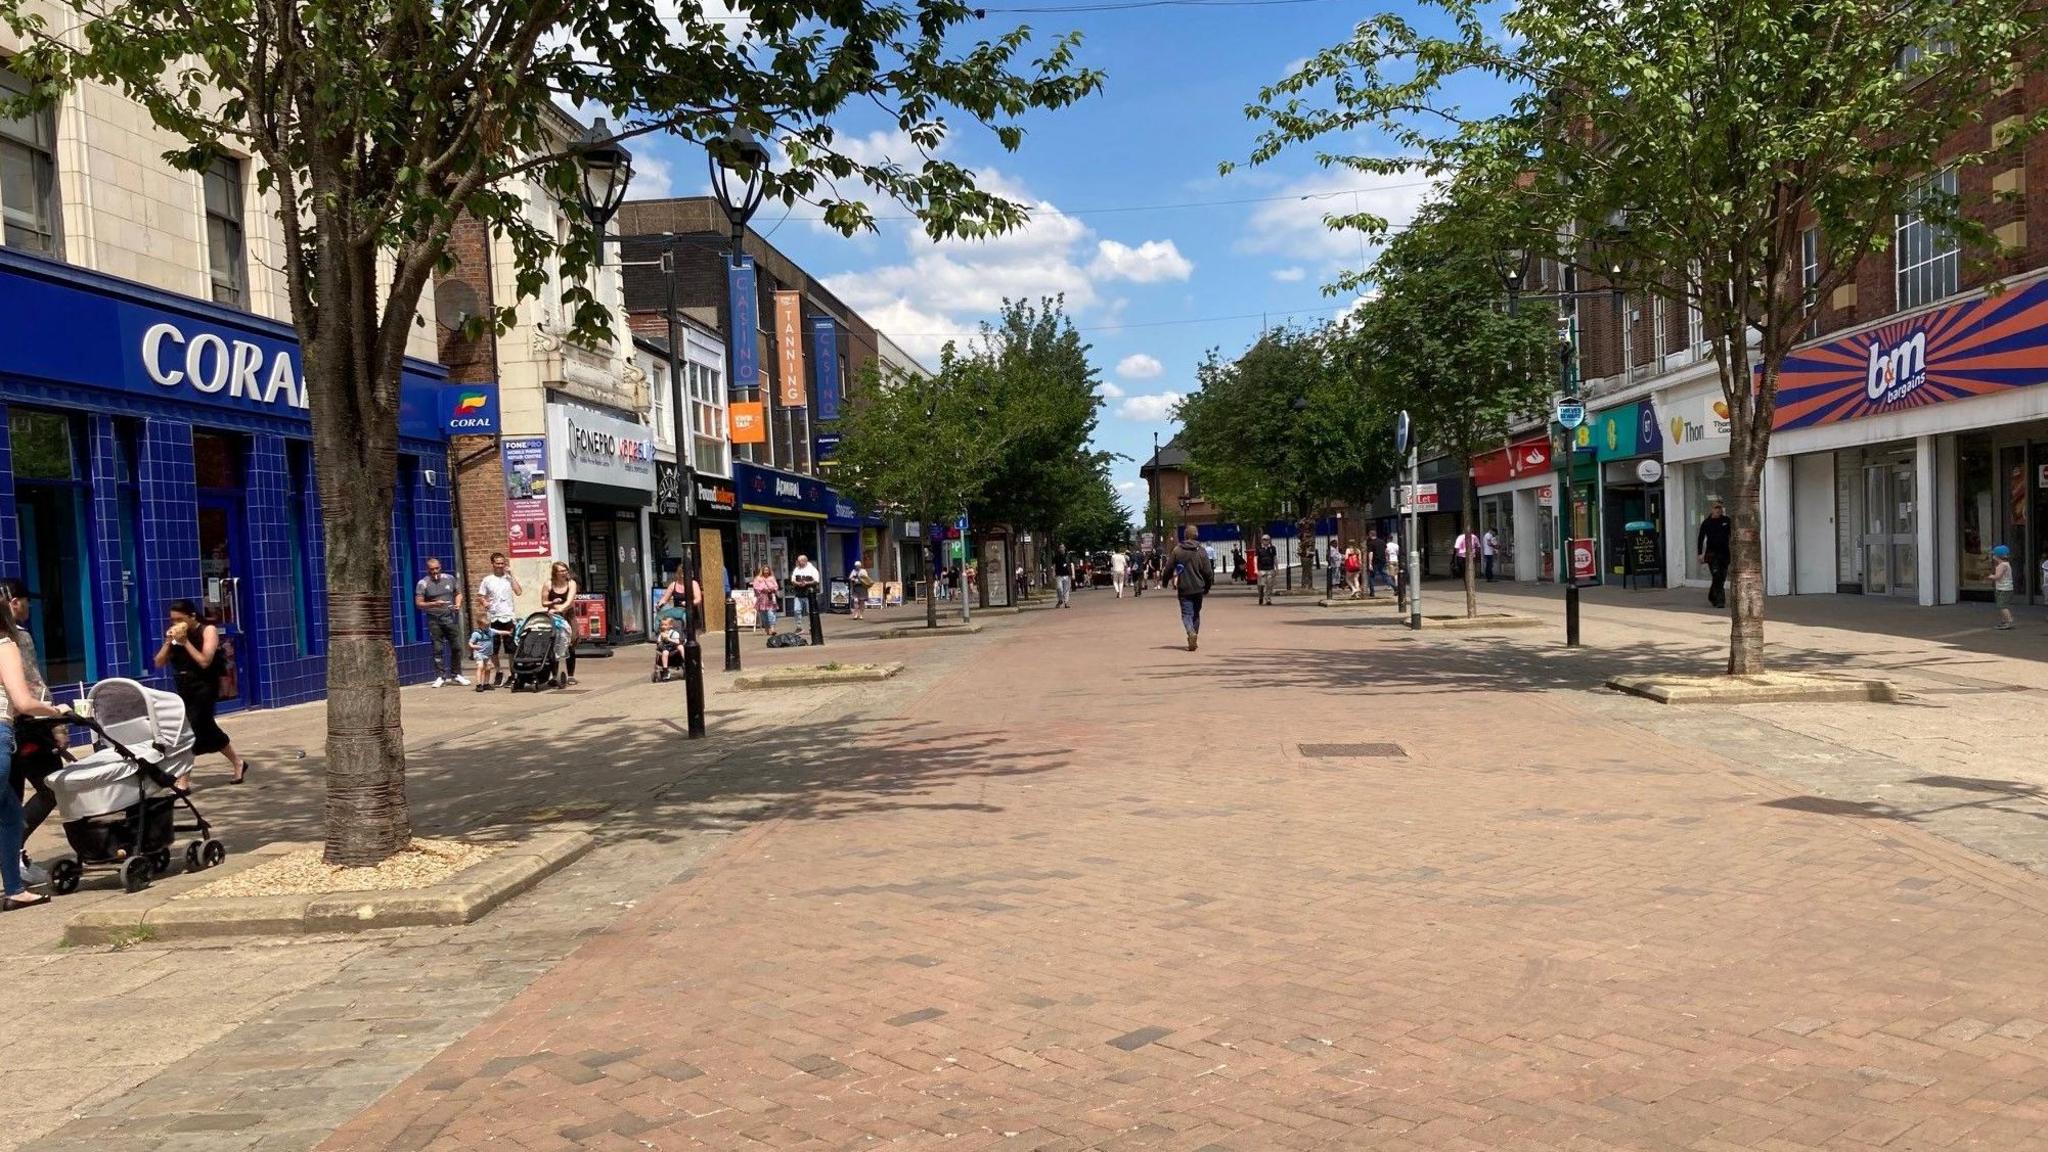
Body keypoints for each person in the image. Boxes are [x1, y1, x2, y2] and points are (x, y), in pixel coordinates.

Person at [0, 579, 62, 910]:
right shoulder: (11, 642)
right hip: (12, 730)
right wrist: (54, 714)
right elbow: (26, 695)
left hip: (10, 733)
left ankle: (13, 883)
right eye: (22, 601)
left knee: (9, 810)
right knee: (48, 787)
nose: (25, 607)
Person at [154, 599, 249, 784]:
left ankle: (183, 780)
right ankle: (238, 763)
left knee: (192, 730)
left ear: (192, 616)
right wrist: (168, 642)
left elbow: (205, 660)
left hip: (204, 686)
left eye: (179, 619)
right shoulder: (176, 636)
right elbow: (158, 662)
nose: (175, 623)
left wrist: (186, 642)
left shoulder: (208, 630)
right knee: (207, 729)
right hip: (184, 686)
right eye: (172, 620)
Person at [414, 557, 467, 688]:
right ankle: (440, 676)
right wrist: (434, 604)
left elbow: (458, 594)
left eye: (437, 568)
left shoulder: (449, 578)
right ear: (428, 570)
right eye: (431, 569)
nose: (435, 571)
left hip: (449, 618)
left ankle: (456, 674)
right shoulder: (423, 583)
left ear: (440, 567)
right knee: (437, 648)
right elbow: (419, 603)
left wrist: (458, 604)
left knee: (456, 646)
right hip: (434, 619)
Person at [477, 552, 522, 689]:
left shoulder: (508, 578)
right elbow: (480, 596)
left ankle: (513, 674)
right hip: (494, 616)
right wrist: (484, 602)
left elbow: (519, 592)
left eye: (502, 563)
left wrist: (511, 575)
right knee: (493, 648)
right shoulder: (487, 580)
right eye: (498, 563)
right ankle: (499, 672)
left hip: (508, 616)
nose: (500, 566)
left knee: (510, 648)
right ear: (492, 564)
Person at [1171, 525, 1216, 651]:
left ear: (1185, 536)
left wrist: (1165, 580)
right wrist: (1207, 586)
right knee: (1196, 613)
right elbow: (1208, 572)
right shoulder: (1201, 551)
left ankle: (1191, 632)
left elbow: (1169, 567)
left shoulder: (1177, 550)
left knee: (1186, 613)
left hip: (1184, 587)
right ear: (1196, 535)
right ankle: (1194, 635)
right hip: (1198, 587)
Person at [542, 561, 580, 685]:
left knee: (571, 642)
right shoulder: (548, 584)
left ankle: (571, 676)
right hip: (554, 617)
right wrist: (552, 603)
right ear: (555, 573)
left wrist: (558, 608)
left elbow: (569, 602)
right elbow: (544, 602)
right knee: (554, 645)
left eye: (565, 570)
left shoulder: (571, 583)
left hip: (568, 615)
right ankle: (554, 676)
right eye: (561, 571)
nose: (564, 573)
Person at [1697, 500, 1733, 609]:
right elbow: (1701, 538)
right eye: (1716, 508)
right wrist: (1700, 553)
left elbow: (1733, 534)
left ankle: (1712, 595)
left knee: (1721, 577)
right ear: (1711, 509)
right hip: (1712, 554)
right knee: (1716, 575)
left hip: (1725, 553)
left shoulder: (1726, 521)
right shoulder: (1706, 523)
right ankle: (1720, 601)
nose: (1718, 510)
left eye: (1720, 508)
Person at [789, 555, 822, 620]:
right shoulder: (796, 569)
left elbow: (816, 581)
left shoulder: (812, 569)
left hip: (809, 595)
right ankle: (799, 627)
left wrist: (806, 583)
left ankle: (812, 627)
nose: (797, 562)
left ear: (804, 561)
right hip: (798, 594)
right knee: (797, 611)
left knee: (810, 612)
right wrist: (798, 583)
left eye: (799, 561)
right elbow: (792, 580)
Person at [654, 615, 685, 680]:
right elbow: (659, 642)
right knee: (665, 652)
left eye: (665, 625)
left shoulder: (674, 633)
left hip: (674, 647)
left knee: (681, 647)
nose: (663, 626)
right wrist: (660, 641)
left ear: (670, 626)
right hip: (665, 648)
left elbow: (677, 641)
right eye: (662, 625)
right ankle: (665, 670)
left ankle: (685, 661)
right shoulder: (661, 634)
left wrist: (668, 639)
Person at [751, 566, 780, 634]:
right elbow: (755, 587)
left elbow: (776, 586)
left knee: (771, 613)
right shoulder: (758, 578)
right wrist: (762, 589)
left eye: (767, 570)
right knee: (764, 616)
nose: (766, 571)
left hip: (770, 598)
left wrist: (771, 588)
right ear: (762, 571)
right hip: (762, 598)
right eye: (765, 570)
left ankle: (772, 629)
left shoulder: (772, 578)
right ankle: (767, 628)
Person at [1993, 545, 2015, 630]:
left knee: (2002, 605)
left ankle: (2008, 621)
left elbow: (1998, 577)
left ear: (1997, 556)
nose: (1993, 556)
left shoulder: (2002, 565)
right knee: (2001, 605)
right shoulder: (2006, 564)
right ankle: (2004, 620)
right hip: (2004, 588)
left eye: (1994, 555)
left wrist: (1991, 576)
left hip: (2004, 589)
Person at [1256, 534, 1278, 606]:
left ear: (1269, 540)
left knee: (1269, 584)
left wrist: (1277, 568)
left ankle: (1268, 598)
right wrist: (1256, 569)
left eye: (1267, 539)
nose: (1265, 541)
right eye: (1264, 539)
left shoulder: (1272, 548)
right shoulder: (1259, 548)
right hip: (1261, 569)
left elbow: (1275, 558)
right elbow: (1255, 559)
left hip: (1270, 569)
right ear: (1262, 540)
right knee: (1261, 585)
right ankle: (1260, 596)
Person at [1386, 532, 1404, 608]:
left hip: (1390, 560)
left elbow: (1386, 554)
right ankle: (1396, 584)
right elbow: (1398, 553)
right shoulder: (1396, 545)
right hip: (1396, 560)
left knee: (1391, 574)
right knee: (1396, 574)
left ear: (1387, 539)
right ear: (1392, 539)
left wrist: (1386, 560)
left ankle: (1393, 586)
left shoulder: (1386, 545)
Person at [1366, 530, 1386, 597]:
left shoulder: (1371, 543)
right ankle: (1395, 587)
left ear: (1370, 535)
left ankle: (1372, 592)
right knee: (1384, 575)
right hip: (1383, 561)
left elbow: (1371, 553)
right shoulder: (1382, 542)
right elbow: (1386, 551)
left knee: (1371, 577)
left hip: (1375, 561)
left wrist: (1370, 563)